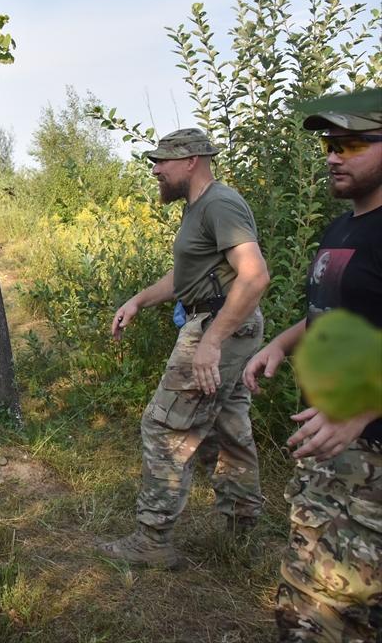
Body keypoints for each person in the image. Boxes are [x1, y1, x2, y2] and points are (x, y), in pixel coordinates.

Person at [241, 97, 381, 642]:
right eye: (328, 145)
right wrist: (281, 342)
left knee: (328, 612)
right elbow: (330, 313)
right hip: (330, 455)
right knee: (312, 605)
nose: (332, 157)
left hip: (371, 456)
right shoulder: (342, 230)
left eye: (350, 144)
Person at [97, 128, 271, 567]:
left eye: (162, 162)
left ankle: (152, 540)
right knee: (229, 429)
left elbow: (254, 277)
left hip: (219, 327)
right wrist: (137, 301)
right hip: (223, 324)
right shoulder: (198, 209)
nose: (155, 170)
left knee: (165, 427)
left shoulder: (220, 203)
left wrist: (211, 342)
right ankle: (242, 529)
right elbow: (186, 278)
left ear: (191, 160)